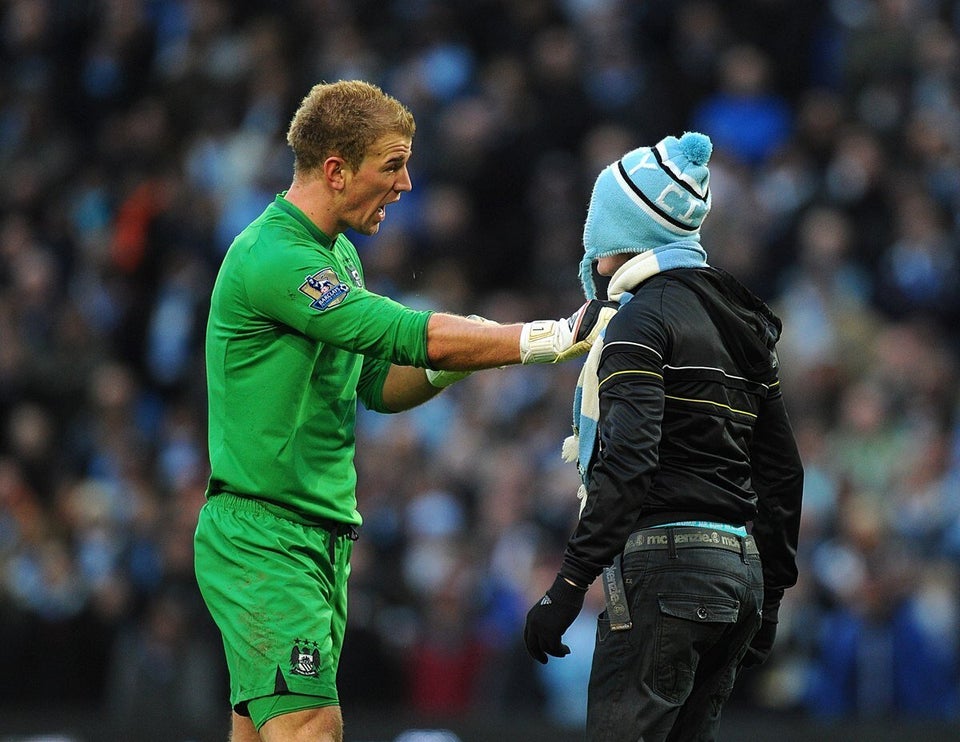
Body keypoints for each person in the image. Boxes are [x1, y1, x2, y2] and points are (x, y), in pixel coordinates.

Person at [193, 79, 615, 742]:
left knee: (265, 731)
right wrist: (548, 337)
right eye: (392, 165)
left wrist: (455, 361)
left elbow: (377, 386)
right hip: (266, 535)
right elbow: (401, 331)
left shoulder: (338, 258)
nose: (407, 184)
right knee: (310, 726)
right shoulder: (274, 257)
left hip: (315, 537)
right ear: (336, 170)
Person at [522, 131, 804, 741]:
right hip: (740, 574)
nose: (591, 258)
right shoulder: (742, 323)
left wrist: (568, 588)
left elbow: (629, 464)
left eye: (596, 238)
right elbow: (783, 472)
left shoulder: (636, 324)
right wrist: (772, 593)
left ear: (620, 237)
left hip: (666, 569)